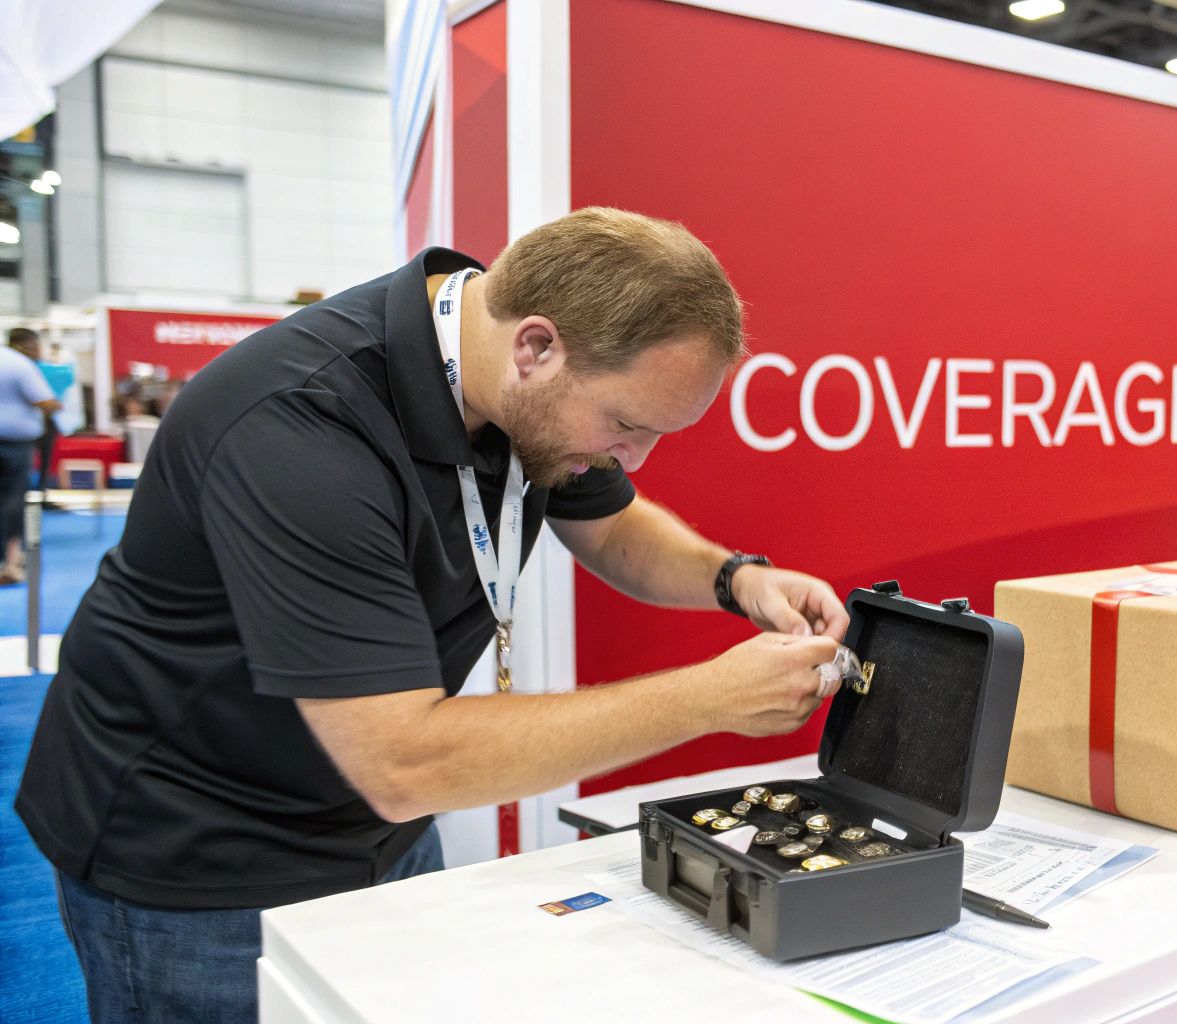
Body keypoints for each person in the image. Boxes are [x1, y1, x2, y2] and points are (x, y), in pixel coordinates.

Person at [16, 207, 851, 1022]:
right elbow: (403, 760)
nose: (632, 459)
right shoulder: (300, 430)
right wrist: (708, 700)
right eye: (627, 425)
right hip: (198, 846)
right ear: (536, 345)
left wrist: (737, 579)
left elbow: (613, 525)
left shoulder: (522, 388)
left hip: (381, 826)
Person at [1, 327, 61, 583]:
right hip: (15, 444)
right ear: (25, 345)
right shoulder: (20, 364)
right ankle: (11, 561)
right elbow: (45, 400)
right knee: (14, 500)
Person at [10, 327, 74, 488]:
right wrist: (51, 404)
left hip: (39, 424)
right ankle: (31, 494)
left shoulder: (38, 367)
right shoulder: (21, 367)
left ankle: (41, 491)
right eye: (33, 346)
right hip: (19, 431)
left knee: (42, 461)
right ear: (19, 346)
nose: (37, 350)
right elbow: (42, 400)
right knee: (18, 471)